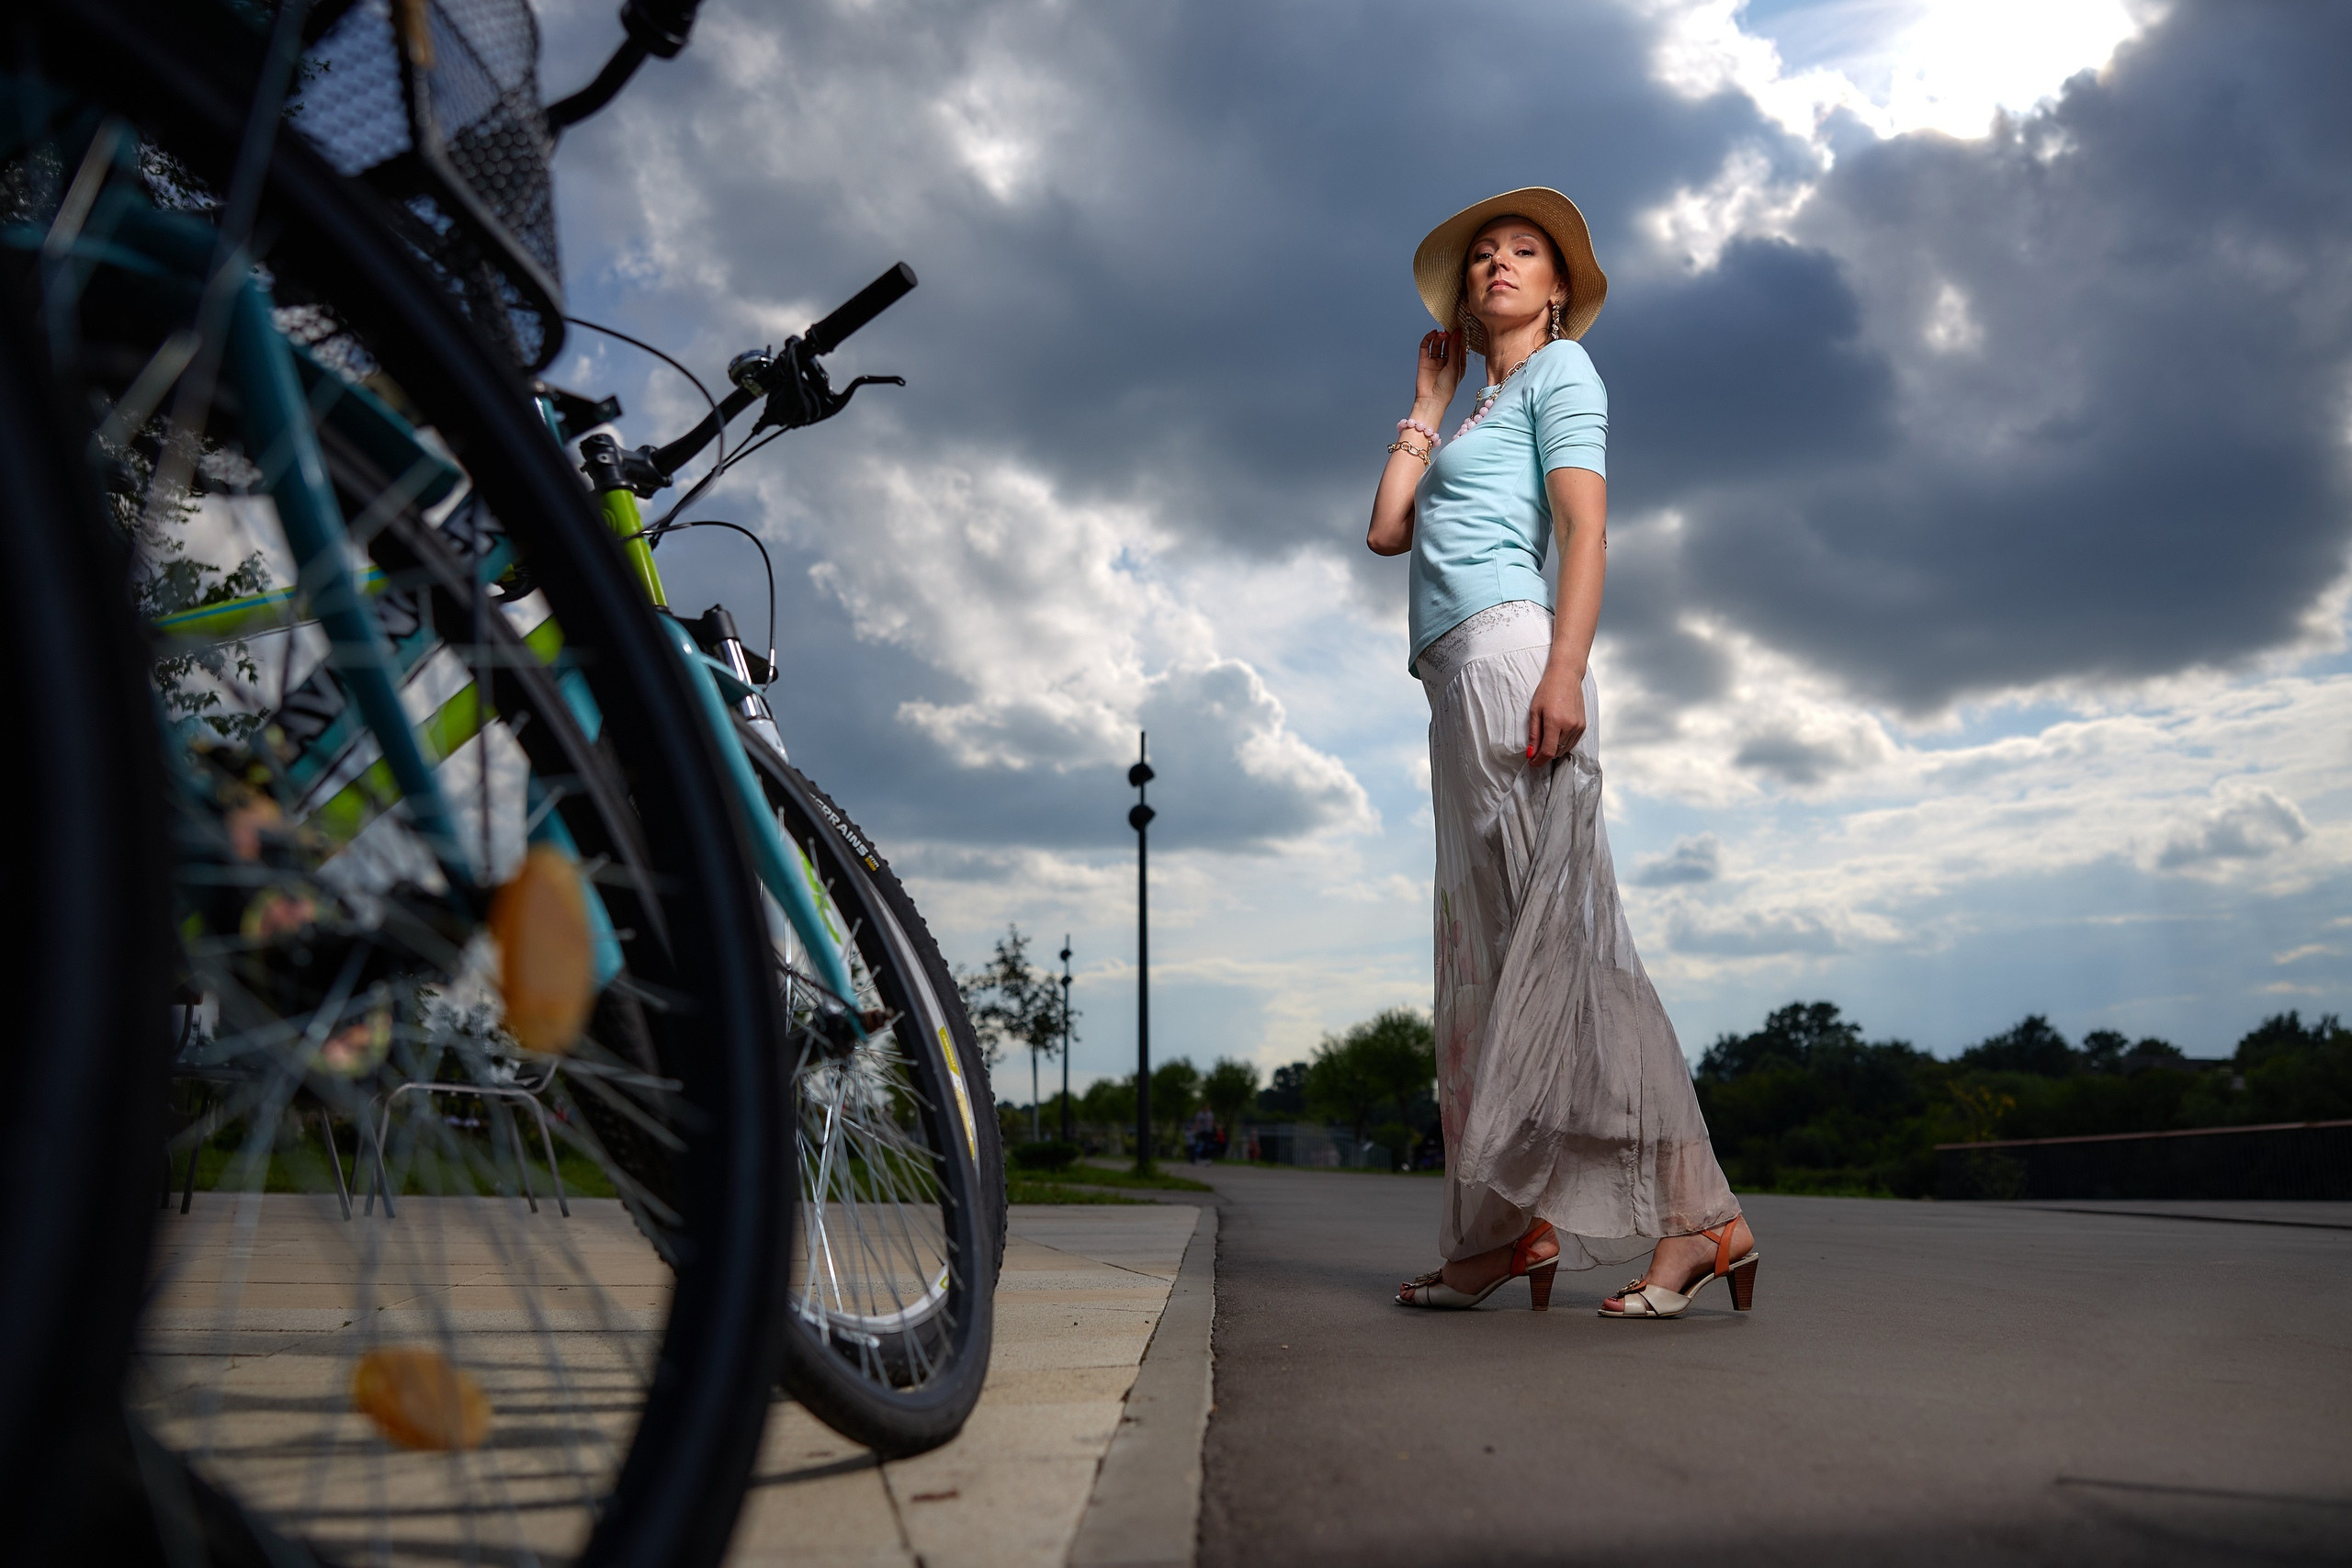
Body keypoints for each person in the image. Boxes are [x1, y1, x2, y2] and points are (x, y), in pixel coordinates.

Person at [1368, 189, 1758, 1319]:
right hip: (1451, 684)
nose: (1496, 263)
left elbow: (1585, 530)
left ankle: (1699, 1221)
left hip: (1509, 660)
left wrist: (1563, 671)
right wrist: (1424, 403)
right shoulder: (1477, 408)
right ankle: (1505, 1233)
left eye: (1521, 252)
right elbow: (1388, 527)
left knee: (1567, 960)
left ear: (1556, 288)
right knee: (1491, 974)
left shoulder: (1561, 375)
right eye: (1481, 255)